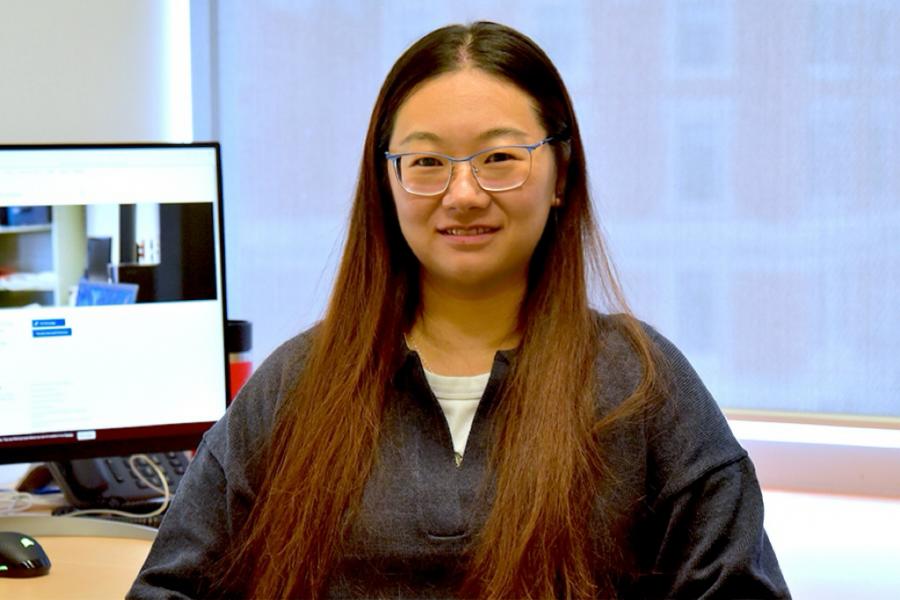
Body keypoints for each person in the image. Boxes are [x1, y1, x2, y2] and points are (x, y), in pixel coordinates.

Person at [129, 21, 790, 599]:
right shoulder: (296, 384)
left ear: (561, 175)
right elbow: (172, 588)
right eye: (426, 162)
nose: (464, 193)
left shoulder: (644, 387)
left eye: (500, 158)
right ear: (387, 183)